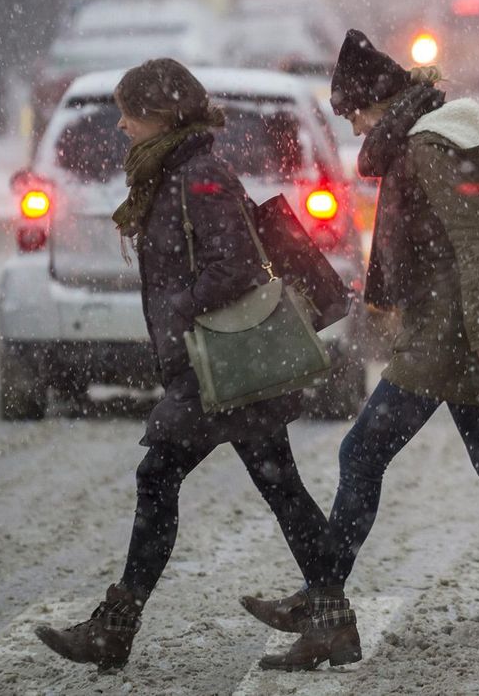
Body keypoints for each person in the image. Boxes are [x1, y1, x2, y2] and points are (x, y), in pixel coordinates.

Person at [242, 30, 479, 672]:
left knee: (362, 452)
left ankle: (325, 611)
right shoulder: (430, 140)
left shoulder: (429, 146)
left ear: (378, 100)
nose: (352, 126)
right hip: (445, 329)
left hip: (448, 339)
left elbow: (474, 244)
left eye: (353, 113)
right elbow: (435, 245)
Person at [34, 58, 354, 672]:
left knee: (163, 477)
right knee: (277, 484)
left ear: (160, 113)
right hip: (215, 365)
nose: (123, 125)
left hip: (219, 365)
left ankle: (116, 626)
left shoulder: (199, 175)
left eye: (130, 112)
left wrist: (178, 310)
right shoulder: (176, 170)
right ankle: (331, 618)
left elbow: (232, 267)